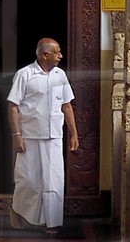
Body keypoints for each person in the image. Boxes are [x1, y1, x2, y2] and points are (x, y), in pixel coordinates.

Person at [8, 37, 79, 231]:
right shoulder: (25, 74)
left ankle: (51, 222)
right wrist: (16, 135)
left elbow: (66, 105)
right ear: (44, 55)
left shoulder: (60, 75)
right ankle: (16, 210)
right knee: (28, 179)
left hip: (54, 136)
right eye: (57, 52)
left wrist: (74, 133)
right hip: (30, 136)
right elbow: (13, 106)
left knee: (54, 181)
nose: (60, 56)